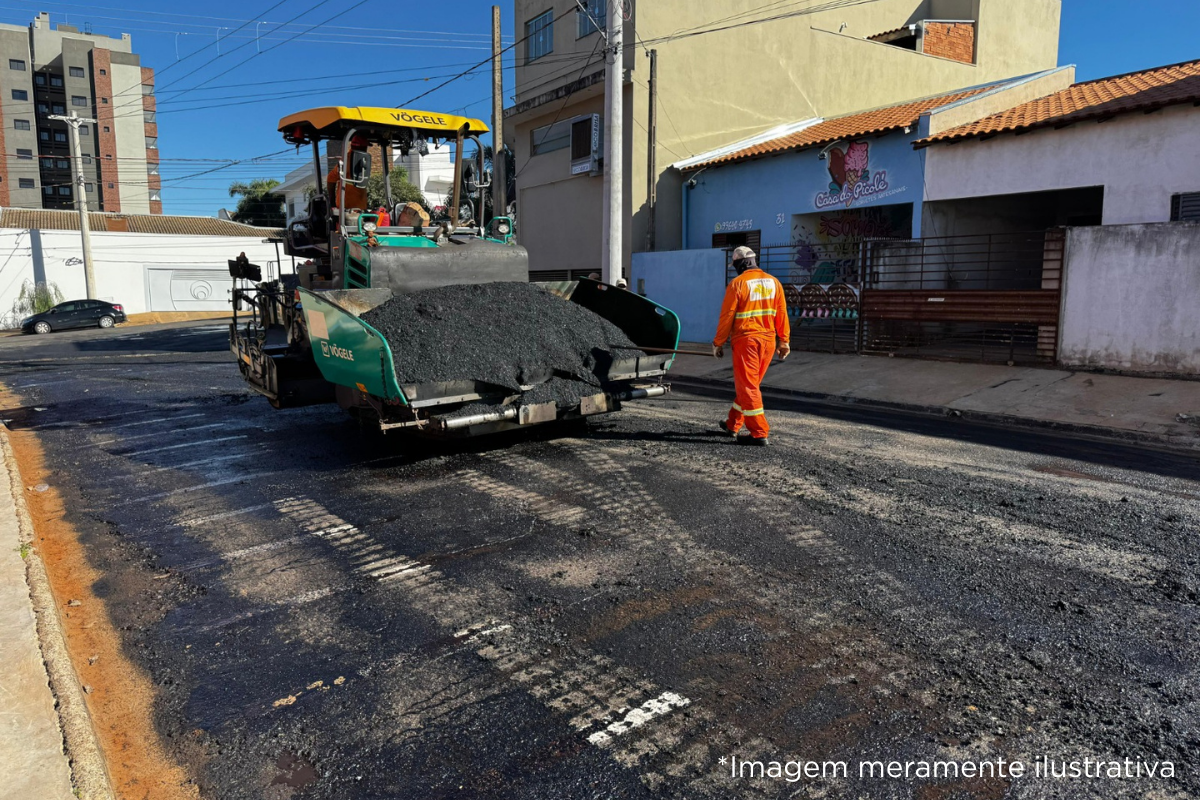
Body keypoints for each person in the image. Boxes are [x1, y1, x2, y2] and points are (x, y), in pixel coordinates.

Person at [712, 246, 790, 446]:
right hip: (768, 342)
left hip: (747, 341)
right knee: (749, 386)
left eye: (735, 264)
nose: (735, 268)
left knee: (748, 387)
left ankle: (759, 432)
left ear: (742, 263)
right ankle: (732, 424)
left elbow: (727, 316)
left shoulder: (738, 284)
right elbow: (781, 313)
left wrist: (718, 343)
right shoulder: (774, 282)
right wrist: (784, 341)